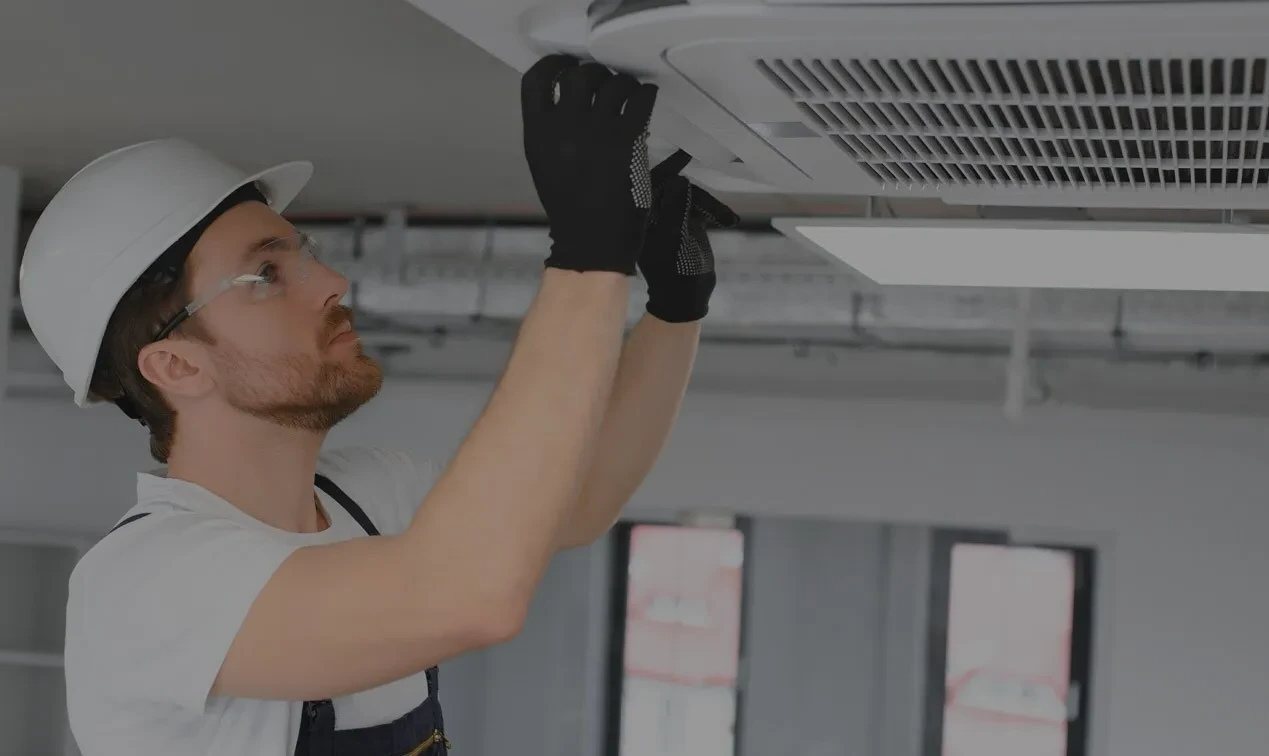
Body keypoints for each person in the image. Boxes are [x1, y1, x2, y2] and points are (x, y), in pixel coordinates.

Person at [19, 54, 737, 756]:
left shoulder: (372, 493)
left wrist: (676, 306)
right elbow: (466, 594)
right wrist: (588, 254)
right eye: (267, 273)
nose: (332, 280)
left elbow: (575, 504)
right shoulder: (144, 584)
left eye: (305, 253)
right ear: (176, 363)